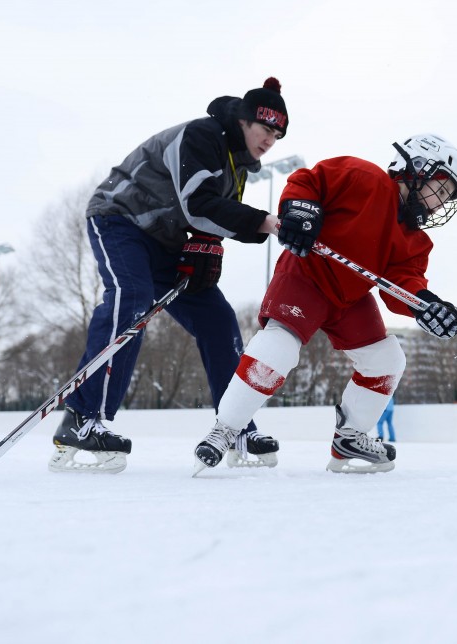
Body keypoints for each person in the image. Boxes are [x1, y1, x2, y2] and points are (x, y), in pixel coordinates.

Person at [49, 77, 291, 474]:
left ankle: (235, 425)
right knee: (132, 299)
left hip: (167, 241)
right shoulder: (203, 135)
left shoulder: (239, 164)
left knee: (217, 319)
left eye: (277, 135)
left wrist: (207, 246)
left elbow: (213, 218)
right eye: (266, 129)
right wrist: (269, 223)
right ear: (245, 121)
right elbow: (199, 203)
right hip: (121, 220)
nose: (270, 140)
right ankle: (81, 417)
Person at [193, 133, 457, 474]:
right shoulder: (363, 176)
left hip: (351, 295)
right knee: (278, 349)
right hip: (307, 273)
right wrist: (301, 208)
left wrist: (425, 304)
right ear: (416, 169)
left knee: (386, 359)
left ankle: (350, 436)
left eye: (446, 198)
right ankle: (226, 429)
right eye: (440, 190)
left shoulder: (416, 240)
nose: (440, 203)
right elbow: (309, 181)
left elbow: (403, 284)